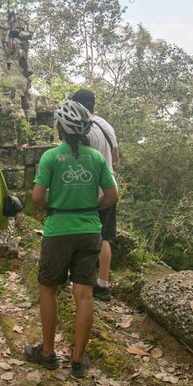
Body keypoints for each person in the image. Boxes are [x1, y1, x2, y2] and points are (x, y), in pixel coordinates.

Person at [24, 100, 118, 379]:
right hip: (90, 231)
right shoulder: (97, 158)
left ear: (60, 129)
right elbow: (112, 196)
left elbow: (38, 197)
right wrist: (90, 208)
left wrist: (54, 209)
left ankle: (48, 353)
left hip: (57, 231)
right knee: (84, 295)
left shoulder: (51, 158)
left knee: (48, 289)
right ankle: (78, 361)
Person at [71, 89, 119, 302]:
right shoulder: (106, 125)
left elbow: (78, 160)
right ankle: (103, 284)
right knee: (105, 236)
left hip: (88, 188)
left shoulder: (81, 129)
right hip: (109, 187)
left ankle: (80, 278)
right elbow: (115, 158)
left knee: (81, 232)